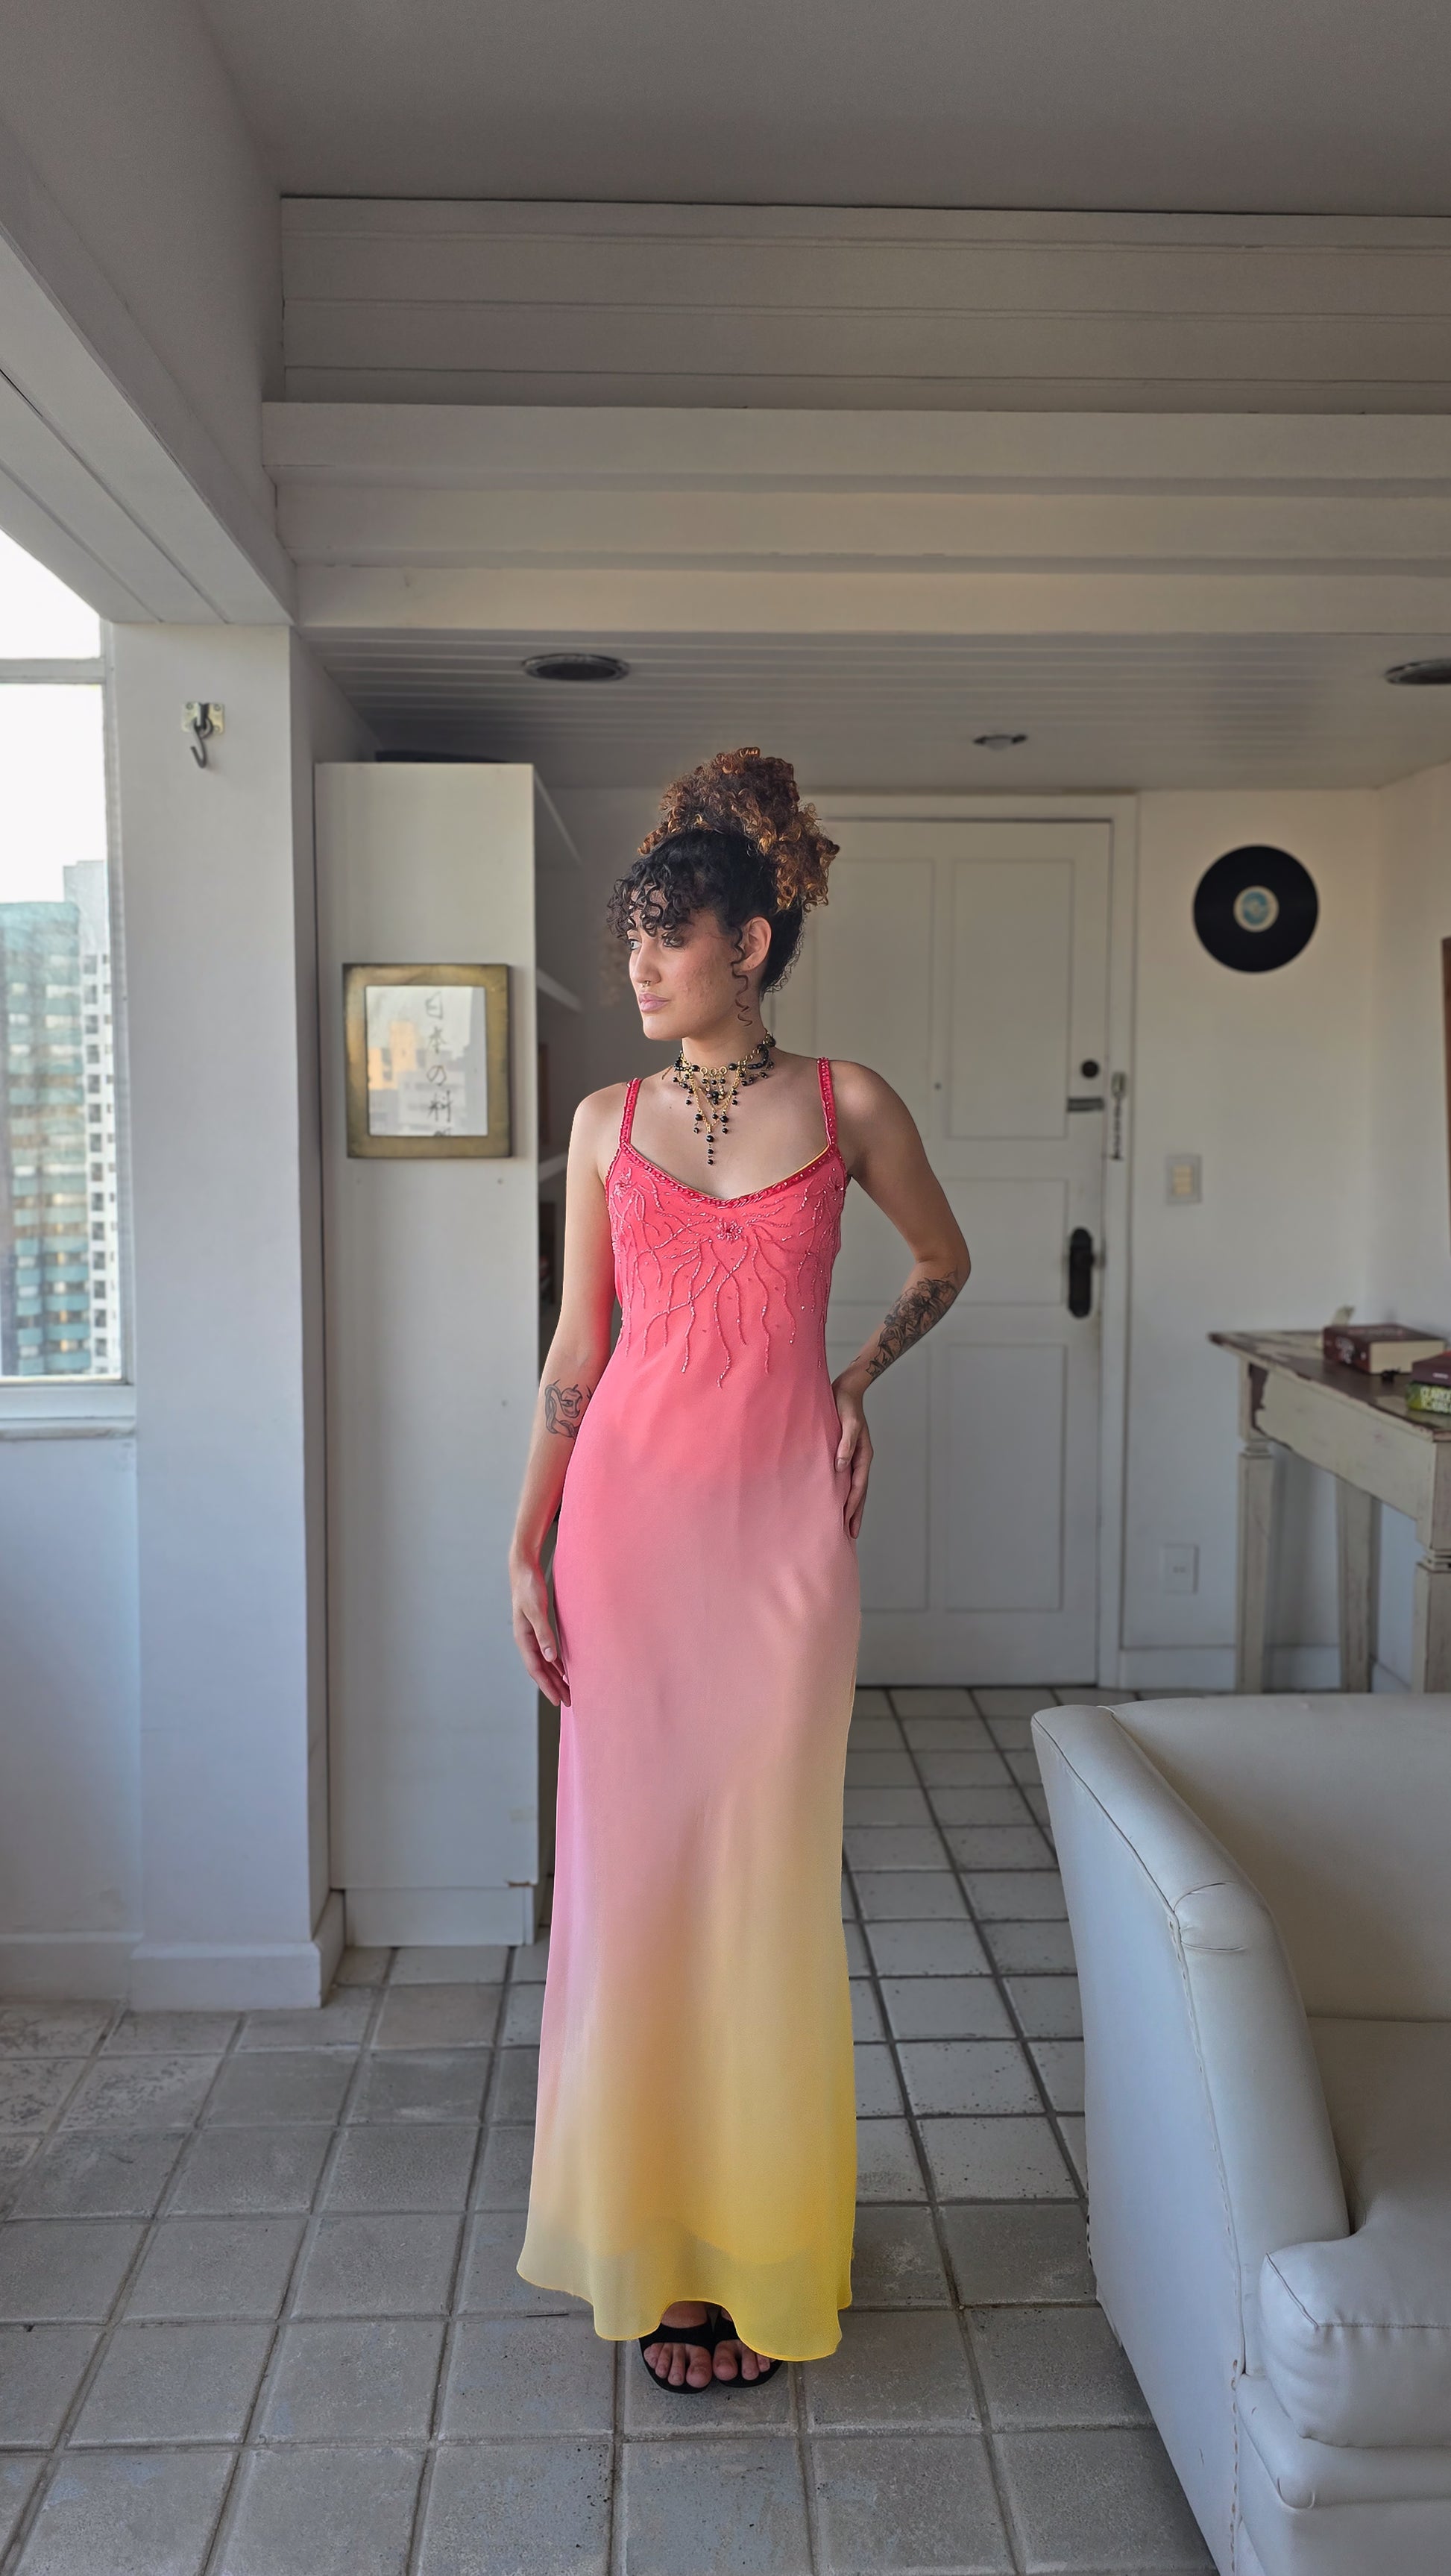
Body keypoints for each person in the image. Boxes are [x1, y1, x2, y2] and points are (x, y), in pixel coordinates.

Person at [509, 748, 970, 2391]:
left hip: (780, 1549)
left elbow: (942, 1260)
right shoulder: (602, 1123)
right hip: (625, 1541)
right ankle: (655, 2249)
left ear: (749, 946)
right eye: (631, 937)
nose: (638, 965)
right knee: (634, 1887)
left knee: (760, 1889)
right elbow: (578, 1352)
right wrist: (526, 1540)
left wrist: (855, 1378)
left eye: (667, 936)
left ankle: (758, 2246)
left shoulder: (849, 1106)